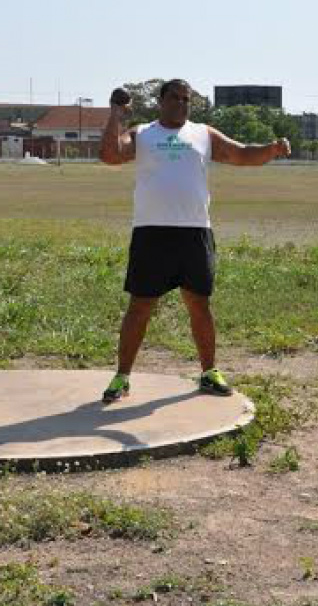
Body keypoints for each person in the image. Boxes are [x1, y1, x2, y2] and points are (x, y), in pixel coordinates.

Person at [99, 78, 291, 403]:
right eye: (174, 98)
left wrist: (272, 149)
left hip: (194, 231)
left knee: (199, 304)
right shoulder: (143, 133)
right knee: (140, 306)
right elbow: (111, 155)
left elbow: (241, 154)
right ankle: (122, 377)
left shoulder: (203, 133)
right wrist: (117, 115)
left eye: (186, 99)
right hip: (152, 232)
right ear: (161, 101)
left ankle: (208, 373)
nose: (181, 104)